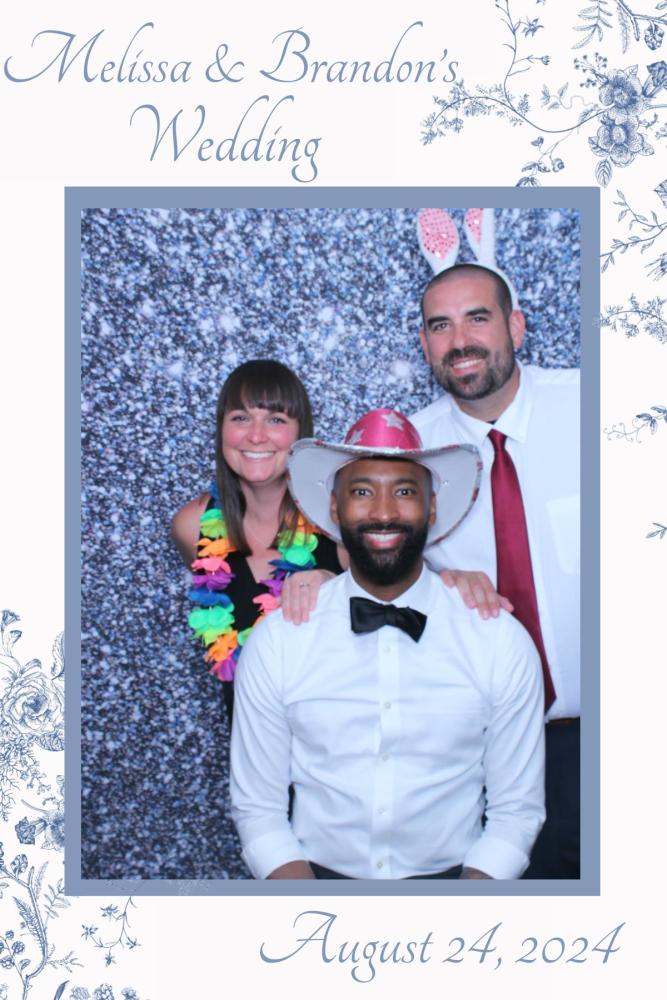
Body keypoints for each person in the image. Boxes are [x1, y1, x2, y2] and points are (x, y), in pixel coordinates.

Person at [230, 409, 545, 880]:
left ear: (431, 508)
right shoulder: (280, 639)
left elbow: (515, 814)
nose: (382, 512)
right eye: (361, 492)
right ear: (335, 508)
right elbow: (259, 810)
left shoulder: (497, 639)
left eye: (404, 492)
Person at [412, 262, 580, 879]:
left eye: (477, 318)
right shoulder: (408, 452)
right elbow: (371, 576)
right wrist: (435, 582)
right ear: (425, 343)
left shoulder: (600, 407)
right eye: (440, 326)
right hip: (481, 761)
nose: (460, 341)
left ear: (516, 326)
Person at [171, 359, 342, 722]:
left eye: (276, 419)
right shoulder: (192, 526)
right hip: (247, 745)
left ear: (300, 434)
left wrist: (334, 585)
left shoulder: (336, 521)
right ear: (221, 429)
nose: (256, 435)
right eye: (241, 418)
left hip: (332, 745)